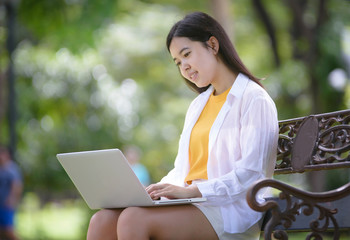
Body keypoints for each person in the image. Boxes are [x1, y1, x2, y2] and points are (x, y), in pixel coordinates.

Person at [87, 11, 278, 240]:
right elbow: (182, 171)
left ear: (213, 45)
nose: (184, 67)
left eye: (187, 54)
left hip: (231, 211)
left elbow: (250, 173)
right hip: (194, 203)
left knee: (133, 218)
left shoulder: (253, 99)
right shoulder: (198, 105)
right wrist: (156, 191)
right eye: (178, 62)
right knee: (102, 219)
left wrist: (193, 191)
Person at [0, 146, 23, 240]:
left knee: (9, 230)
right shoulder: (1, 169)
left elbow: (17, 185)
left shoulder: (12, 168)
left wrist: (12, 200)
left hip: (7, 205)